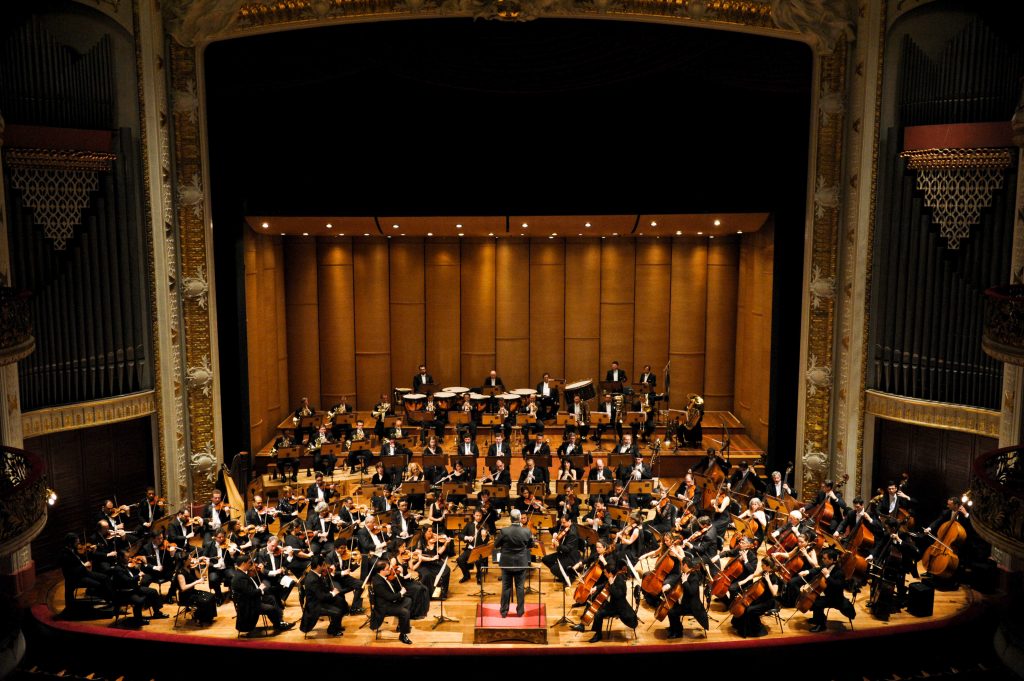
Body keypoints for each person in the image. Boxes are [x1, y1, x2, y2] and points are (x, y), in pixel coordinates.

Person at [573, 557, 637, 642]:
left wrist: (611, 583)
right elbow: (605, 584)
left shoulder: (620, 579)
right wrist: (596, 588)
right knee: (592, 602)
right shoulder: (615, 576)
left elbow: (618, 595)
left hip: (618, 607)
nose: (605, 574)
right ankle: (590, 627)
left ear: (610, 573)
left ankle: (598, 635)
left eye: (605, 573)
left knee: (598, 613)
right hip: (613, 603)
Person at [494, 508, 534, 618]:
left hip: (506, 563)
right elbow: (530, 545)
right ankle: (520, 611)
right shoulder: (526, 531)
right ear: (520, 518)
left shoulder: (504, 531)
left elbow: (496, 544)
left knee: (506, 587)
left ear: (510, 519)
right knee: (520, 587)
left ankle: (504, 611)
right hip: (521, 562)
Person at [806, 547, 856, 632]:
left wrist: (827, 576)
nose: (822, 560)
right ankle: (816, 619)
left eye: (825, 558)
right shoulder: (826, 566)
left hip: (836, 598)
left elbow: (837, 586)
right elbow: (817, 569)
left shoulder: (839, 572)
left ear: (832, 560)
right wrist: (807, 572)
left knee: (817, 603)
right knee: (814, 598)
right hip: (828, 594)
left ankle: (821, 625)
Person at [300, 556, 346, 636]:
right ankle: (332, 630)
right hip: (315, 605)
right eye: (323, 565)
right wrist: (332, 593)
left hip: (320, 600)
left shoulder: (315, 574)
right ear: (318, 566)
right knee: (338, 611)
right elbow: (321, 596)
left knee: (341, 602)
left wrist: (331, 591)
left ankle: (336, 625)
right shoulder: (312, 579)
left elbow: (322, 589)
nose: (325, 567)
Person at [370, 560, 413, 644]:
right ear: (381, 571)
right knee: (405, 612)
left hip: (388, 602)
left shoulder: (379, 577)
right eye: (387, 569)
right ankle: (403, 635)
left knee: (408, 600)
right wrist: (401, 593)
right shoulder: (378, 583)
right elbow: (390, 597)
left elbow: (390, 591)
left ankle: (401, 625)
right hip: (384, 607)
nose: (390, 569)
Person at [175, 555, 217, 625]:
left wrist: (206, 566)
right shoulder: (180, 573)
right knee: (204, 600)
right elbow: (183, 588)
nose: (192, 559)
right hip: (185, 596)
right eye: (189, 559)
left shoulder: (190, 568)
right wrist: (196, 582)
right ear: (184, 561)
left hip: (192, 592)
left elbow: (200, 577)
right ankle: (200, 618)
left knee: (211, 596)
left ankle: (208, 618)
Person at [543, 516, 581, 586]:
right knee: (545, 559)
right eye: (562, 522)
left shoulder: (572, 533)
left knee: (554, 569)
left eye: (564, 522)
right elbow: (558, 534)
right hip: (563, 553)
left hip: (571, 556)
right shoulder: (566, 528)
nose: (562, 524)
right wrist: (555, 536)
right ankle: (562, 574)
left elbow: (567, 549)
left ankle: (570, 578)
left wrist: (558, 545)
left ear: (569, 521)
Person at [457, 509, 491, 584]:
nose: (478, 517)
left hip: (480, 549)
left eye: (480, 516)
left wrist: (484, 537)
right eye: (477, 515)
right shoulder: (469, 525)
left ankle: (479, 576)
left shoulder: (485, 525)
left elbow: (486, 541)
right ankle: (466, 575)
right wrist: (467, 537)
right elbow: (460, 535)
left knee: (478, 561)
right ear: (473, 516)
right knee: (459, 560)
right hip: (470, 548)